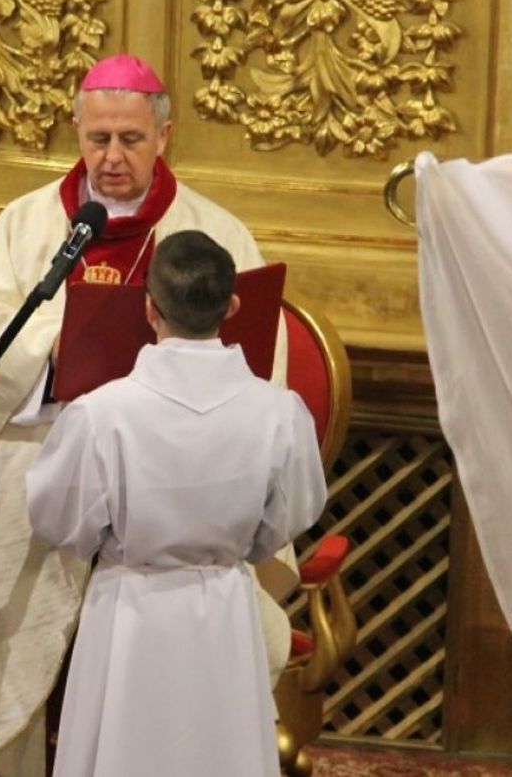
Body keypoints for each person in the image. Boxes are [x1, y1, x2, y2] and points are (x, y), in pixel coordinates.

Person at [0, 52, 295, 777]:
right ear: (76, 128)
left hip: (177, 477)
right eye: (97, 138)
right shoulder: (27, 223)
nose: (111, 157)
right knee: (25, 664)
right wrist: (57, 344)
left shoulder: (215, 230)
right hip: (46, 453)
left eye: (130, 139)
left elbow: (260, 351)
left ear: (164, 135)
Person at [25, 230, 326, 776]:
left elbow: (57, 518)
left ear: (148, 308)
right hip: (223, 608)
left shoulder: (102, 413)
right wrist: (233, 549)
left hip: (129, 609)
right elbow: (295, 512)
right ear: (232, 307)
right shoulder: (278, 413)